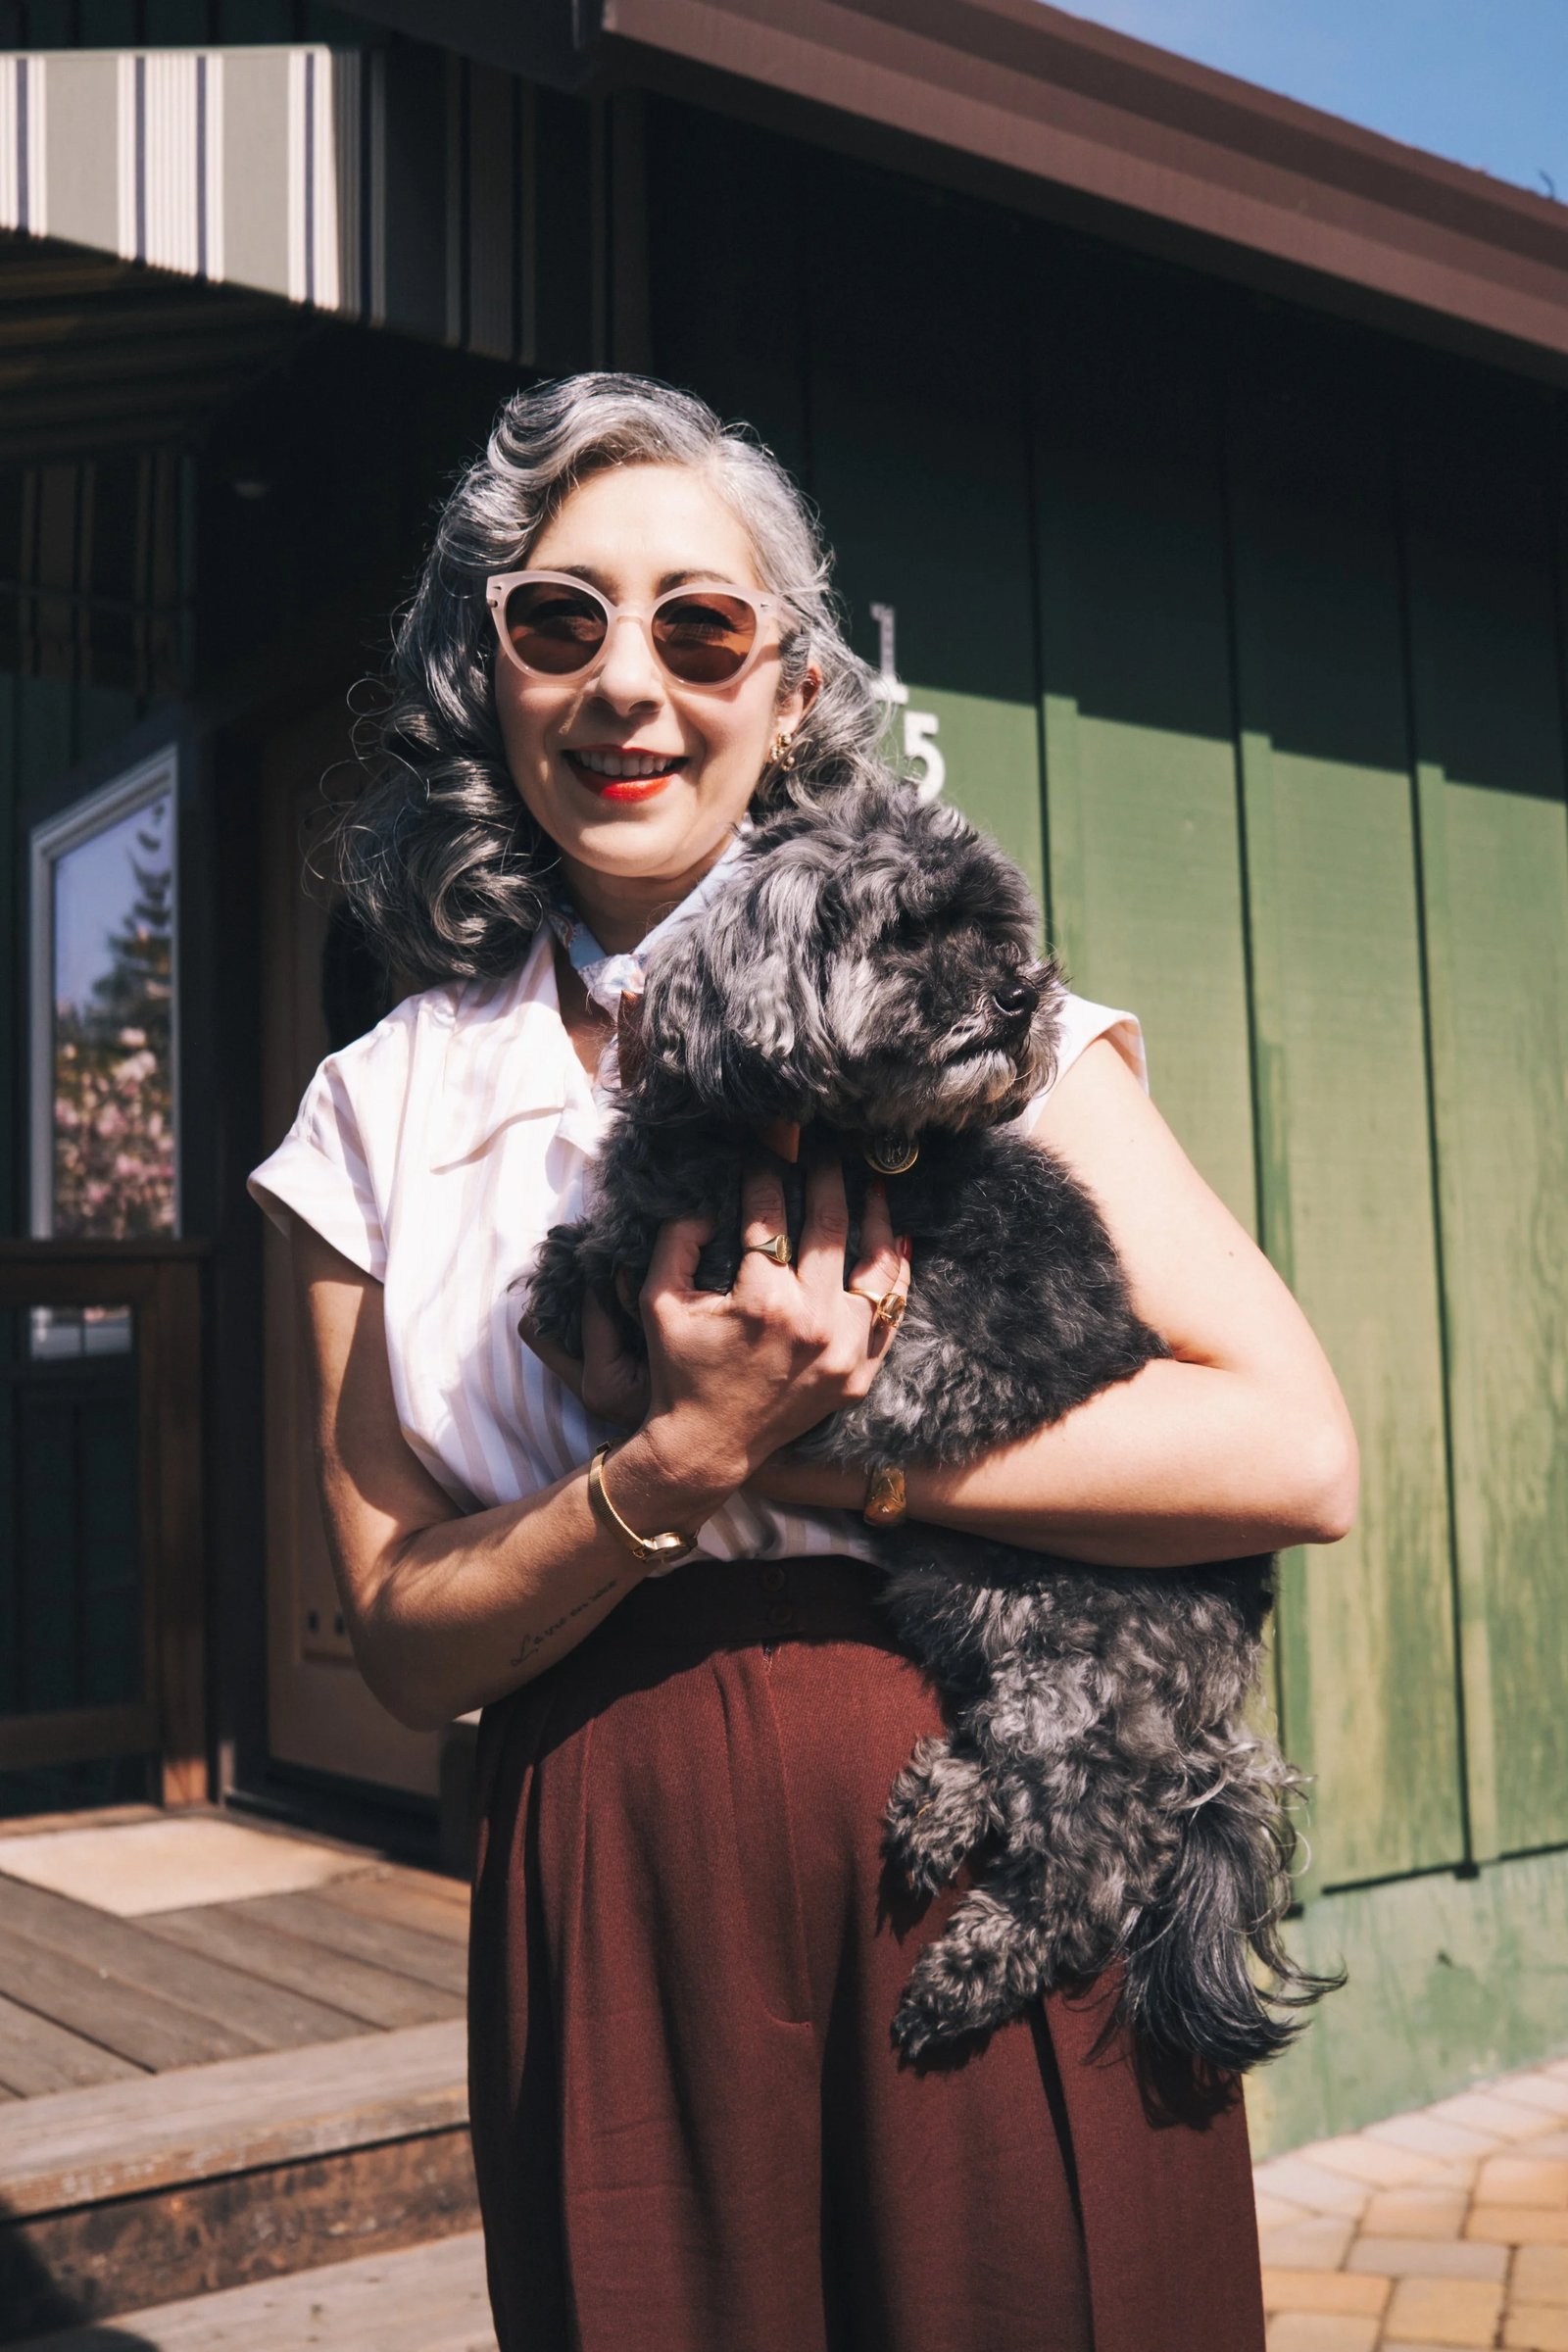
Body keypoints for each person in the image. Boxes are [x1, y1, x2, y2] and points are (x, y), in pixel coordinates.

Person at [249, 374, 1357, 2352]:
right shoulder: (372, 1117)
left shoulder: (977, 1015)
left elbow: (1292, 1449)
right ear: (483, 675)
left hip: (985, 1784)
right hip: (613, 1863)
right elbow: (401, 1640)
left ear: (788, 693)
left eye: (700, 626)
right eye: (557, 620)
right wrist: (666, 1476)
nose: (625, 689)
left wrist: (820, 1461)